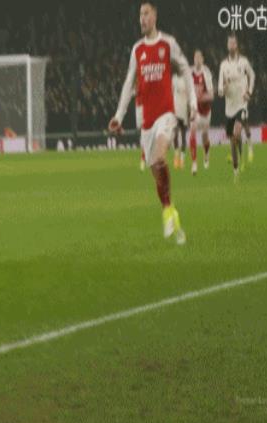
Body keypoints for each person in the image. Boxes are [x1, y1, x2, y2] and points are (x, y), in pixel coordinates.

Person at [109, 1, 196, 244]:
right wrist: (118, 116)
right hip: (146, 122)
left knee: (159, 159)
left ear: (155, 16)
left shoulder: (168, 43)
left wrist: (192, 102)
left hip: (166, 115)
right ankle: (170, 211)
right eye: (140, 14)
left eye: (146, 13)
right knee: (157, 174)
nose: (142, 18)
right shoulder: (137, 49)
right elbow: (129, 83)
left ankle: (168, 210)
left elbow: (186, 70)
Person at [218, 34, 255, 179]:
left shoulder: (243, 62)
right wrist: (224, 88)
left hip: (241, 103)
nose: (231, 45)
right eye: (229, 43)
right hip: (229, 108)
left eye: (233, 43)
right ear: (227, 46)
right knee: (232, 139)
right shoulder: (223, 65)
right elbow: (220, 90)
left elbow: (252, 75)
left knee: (237, 131)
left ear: (236, 45)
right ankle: (236, 169)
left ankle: (248, 147)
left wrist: (249, 92)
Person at [190, 49, 214, 171]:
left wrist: (200, 97)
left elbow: (211, 95)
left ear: (203, 59)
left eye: (199, 57)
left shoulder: (206, 73)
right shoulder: (189, 73)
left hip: (205, 111)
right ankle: (194, 163)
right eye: (196, 57)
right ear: (193, 59)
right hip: (195, 110)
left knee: (205, 137)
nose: (197, 60)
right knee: (192, 132)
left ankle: (206, 154)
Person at [172, 73, 189, 171]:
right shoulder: (174, 78)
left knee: (183, 136)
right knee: (175, 134)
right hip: (175, 110)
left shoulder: (187, 79)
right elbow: (170, 92)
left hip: (184, 110)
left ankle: (182, 160)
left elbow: (190, 95)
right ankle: (176, 157)